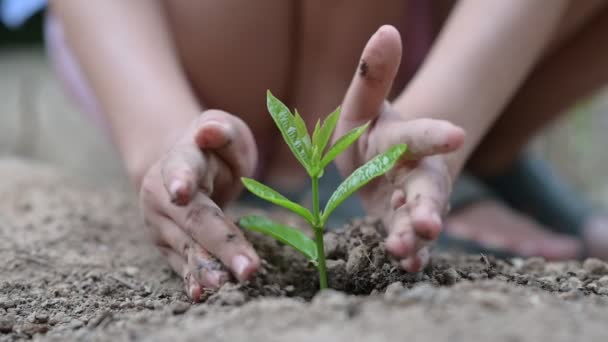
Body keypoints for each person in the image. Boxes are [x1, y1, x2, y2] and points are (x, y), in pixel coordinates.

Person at [47, 1, 608, 301]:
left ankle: (457, 152)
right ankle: (313, 164)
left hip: (437, 43)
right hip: (200, 46)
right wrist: (158, 136)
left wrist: (438, 120)